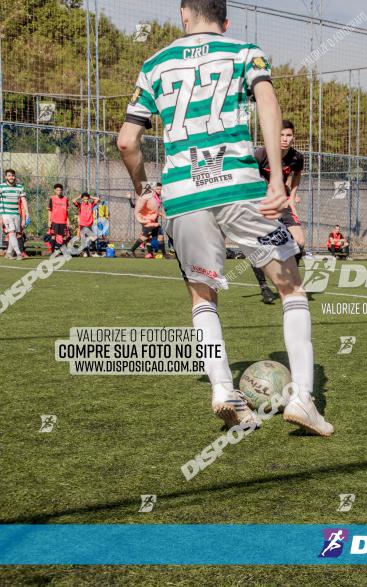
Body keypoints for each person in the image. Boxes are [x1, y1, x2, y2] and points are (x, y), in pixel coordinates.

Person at [117, 0, 332, 435]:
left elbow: (126, 141)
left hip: (182, 194)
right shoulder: (244, 51)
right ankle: (304, 398)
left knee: (203, 298)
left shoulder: (154, 65)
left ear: (184, 14)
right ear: (225, 20)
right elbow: (268, 105)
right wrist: (275, 179)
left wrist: (144, 191)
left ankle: (221, 389)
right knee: (291, 287)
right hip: (238, 187)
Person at [252, 119, 306, 304]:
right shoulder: (261, 154)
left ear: (293, 137)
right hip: (262, 204)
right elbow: (249, 175)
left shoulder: (297, 157)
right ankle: (264, 287)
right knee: (260, 245)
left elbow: (297, 175)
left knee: (299, 241)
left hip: (282, 203)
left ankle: (289, 279)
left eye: (288, 135)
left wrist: (292, 197)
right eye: (281, 135)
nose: (284, 138)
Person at [127, 183, 166, 258]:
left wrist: (161, 214)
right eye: (158, 189)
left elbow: (155, 211)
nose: (160, 190)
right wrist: (129, 199)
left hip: (154, 222)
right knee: (145, 237)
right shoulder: (149, 197)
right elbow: (134, 206)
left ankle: (163, 255)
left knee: (159, 237)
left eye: (161, 189)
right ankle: (131, 251)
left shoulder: (157, 197)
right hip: (148, 221)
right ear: (154, 189)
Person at [0, 169, 29, 260]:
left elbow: (23, 200)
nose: (11, 177)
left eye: (12, 175)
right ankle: (19, 253)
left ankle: (8, 253)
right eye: (9, 175)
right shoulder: (1, 187)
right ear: (6, 177)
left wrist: (27, 213)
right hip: (5, 214)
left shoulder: (20, 187)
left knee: (15, 233)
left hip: (16, 214)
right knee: (11, 232)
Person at [47, 183, 70, 254]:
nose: (59, 191)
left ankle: (64, 252)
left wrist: (68, 220)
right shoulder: (52, 198)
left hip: (63, 221)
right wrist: (49, 221)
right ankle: (52, 252)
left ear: (62, 191)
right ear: (55, 191)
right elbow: (50, 210)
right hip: (54, 221)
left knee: (64, 237)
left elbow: (67, 211)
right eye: (57, 190)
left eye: (60, 190)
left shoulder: (65, 199)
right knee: (53, 236)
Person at [73, 192, 98, 257]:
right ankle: (85, 252)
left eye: (87, 199)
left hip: (89, 225)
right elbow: (73, 200)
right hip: (82, 225)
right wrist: (79, 196)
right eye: (84, 199)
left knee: (93, 238)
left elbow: (97, 199)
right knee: (83, 239)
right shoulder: (80, 205)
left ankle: (93, 252)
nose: (86, 200)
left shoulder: (91, 204)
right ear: (82, 199)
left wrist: (90, 196)